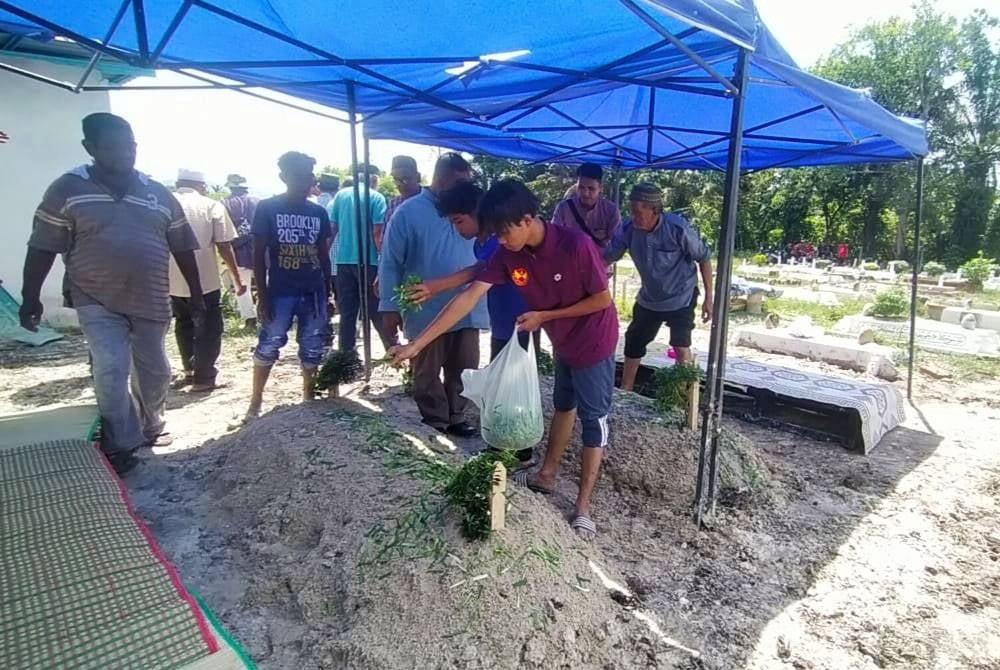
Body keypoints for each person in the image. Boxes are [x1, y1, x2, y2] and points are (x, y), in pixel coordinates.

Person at [391, 179, 618, 540]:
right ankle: (546, 474)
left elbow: (602, 301)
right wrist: (416, 345)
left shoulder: (576, 246)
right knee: (563, 404)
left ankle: (583, 508)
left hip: (593, 341)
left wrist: (544, 316)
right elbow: (469, 295)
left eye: (503, 232)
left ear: (527, 219)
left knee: (594, 421)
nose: (499, 240)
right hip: (563, 342)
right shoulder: (507, 252)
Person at [19, 113, 203, 474]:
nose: (124, 153)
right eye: (113, 146)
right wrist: (30, 296)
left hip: (151, 296)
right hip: (94, 297)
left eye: (130, 145)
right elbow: (42, 246)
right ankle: (122, 443)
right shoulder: (67, 189)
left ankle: (152, 424)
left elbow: (182, 246)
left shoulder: (157, 192)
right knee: (111, 369)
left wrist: (197, 294)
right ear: (90, 148)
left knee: (156, 371)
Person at [403, 180, 540, 462]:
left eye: (459, 221)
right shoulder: (485, 241)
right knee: (502, 379)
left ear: (478, 213)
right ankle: (506, 441)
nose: (457, 229)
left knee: (514, 380)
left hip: (521, 318)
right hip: (502, 319)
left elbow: (477, 274)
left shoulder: (498, 240)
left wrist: (436, 286)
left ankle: (520, 447)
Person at [378, 152, 487, 437]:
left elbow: (483, 265)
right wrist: (388, 305)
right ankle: (435, 421)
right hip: (424, 308)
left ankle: (457, 415)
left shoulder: (475, 210)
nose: (465, 190)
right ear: (441, 179)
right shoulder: (408, 212)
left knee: (464, 366)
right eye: (459, 183)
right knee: (426, 371)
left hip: (467, 306)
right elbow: (390, 262)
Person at [246, 151, 332, 419]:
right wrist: (262, 294)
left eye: (309, 175)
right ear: (284, 177)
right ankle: (256, 401)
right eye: (299, 175)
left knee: (312, 345)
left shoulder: (318, 212)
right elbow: (258, 255)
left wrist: (328, 293)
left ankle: (308, 397)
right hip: (281, 291)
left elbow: (323, 255)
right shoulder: (268, 208)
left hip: (313, 291)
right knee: (269, 343)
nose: (306, 180)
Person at [604, 184, 713, 392]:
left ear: (654, 210)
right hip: (649, 298)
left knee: (681, 346)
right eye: (632, 211)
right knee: (634, 341)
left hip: (681, 295)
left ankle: (682, 395)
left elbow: (704, 258)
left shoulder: (677, 228)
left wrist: (709, 298)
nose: (633, 216)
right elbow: (607, 257)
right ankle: (626, 389)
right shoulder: (628, 229)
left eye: (638, 212)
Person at [169, 168, 245, 392]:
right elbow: (224, 245)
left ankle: (190, 372)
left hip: (173, 280)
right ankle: (204, 378)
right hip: (205, 280)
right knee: (209, 327)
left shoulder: (165, 203)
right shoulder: (211, 205)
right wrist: (236, 277)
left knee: (183, 324)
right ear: (201, 186)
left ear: (178, 183)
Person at [329, 170, 391, 353]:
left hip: (344, 261)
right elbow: (377, 232)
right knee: (376, 309)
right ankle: (392, 350)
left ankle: (346, 357)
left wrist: (324, 255)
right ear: (373, 181)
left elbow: (333, 228)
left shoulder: (341, 195)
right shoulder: (376, 197)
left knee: (347, 312)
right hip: (369, 260)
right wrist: (383, 260)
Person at [551, 163, 621, 273]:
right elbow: (554, 238)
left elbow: (618, 244)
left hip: (599, 271)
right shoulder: (563, 208)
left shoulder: (611, 210)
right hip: (570, 269)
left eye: (591, 188)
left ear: (600, 188)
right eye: (581, 187)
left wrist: (602, 264)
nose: (585, 193)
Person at [221, 174, 259, 328]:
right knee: (266, 284)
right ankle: (266, 314)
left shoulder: (224, 203)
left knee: (242, 286)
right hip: (261, 250)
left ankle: (249, 319)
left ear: (230, 187)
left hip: (238, 252)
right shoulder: (259, 202)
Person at [315, 173, 341, 313]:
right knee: (341, 295)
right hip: (339, 258)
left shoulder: (313, 203)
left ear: (319, 187)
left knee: (321, 293)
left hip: (317, 256)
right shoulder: (339, 203)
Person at [385, 155, 422, 228]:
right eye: (396, 179)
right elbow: (385, 235)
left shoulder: (431, 201)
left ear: (417, 177)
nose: (400, 184)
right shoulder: (393, 204)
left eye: (405, 179)